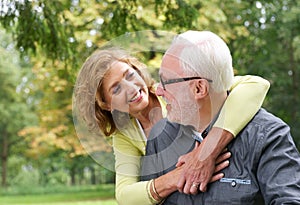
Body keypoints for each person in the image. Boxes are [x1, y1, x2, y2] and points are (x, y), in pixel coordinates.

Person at [73, 47, 270, 205]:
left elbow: (256, 85)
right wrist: (176, 177)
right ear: (106, 105)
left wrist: (208, 151)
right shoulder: (125, 134)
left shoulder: (175, 89)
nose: (132, 88)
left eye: (130, 75)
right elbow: (125, 196)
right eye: (116, 88)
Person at [141, 30, 300, 204]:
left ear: (199, 89)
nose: (158, 91)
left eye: (165, 82)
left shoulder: (267, 136)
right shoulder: (161, 136)